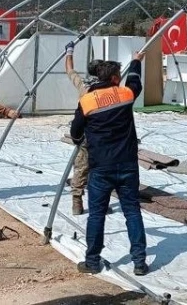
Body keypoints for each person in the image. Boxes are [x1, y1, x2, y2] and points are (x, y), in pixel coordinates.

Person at [70, 53, 149, 276]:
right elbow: (134, 81)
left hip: (100, 167)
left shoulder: (87, 100)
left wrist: (84, 139)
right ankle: (139, 262)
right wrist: (136, 61)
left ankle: (92, 261)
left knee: (96, 215)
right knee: (132, 212)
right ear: (115, 78)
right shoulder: (125, 94)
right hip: (127, 165)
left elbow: (75, 131)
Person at [64, 41, 103, 215]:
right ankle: (99, 203)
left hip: (86, 134)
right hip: (102, 136)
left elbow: (70, 70)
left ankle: (76, 203)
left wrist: (69, 51)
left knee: (80, 168)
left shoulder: (84, 87)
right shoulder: (108, 88)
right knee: (100, 169)